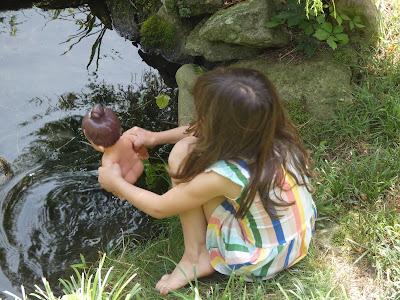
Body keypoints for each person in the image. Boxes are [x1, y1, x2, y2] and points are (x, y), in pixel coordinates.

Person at [98, 67, 317, 295]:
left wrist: (117, 183)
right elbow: (202, 132)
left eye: (203, 115)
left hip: (261, 257)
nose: (199, 119)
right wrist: (156, 137)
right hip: (296, 237)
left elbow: (160, 207)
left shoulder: (226, 177)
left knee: (183, 157)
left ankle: (196, 256)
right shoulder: (275, 135)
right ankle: (201, 252)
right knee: (191, 147)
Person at [82, 104, 148, 184]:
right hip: (139, 167)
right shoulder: (128, 138)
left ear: (101, 147)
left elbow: (111, 180)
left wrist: (102, 181)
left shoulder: (108, 160)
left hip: (128, 180)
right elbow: (141, 148)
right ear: (120, 130)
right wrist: (144, 155)